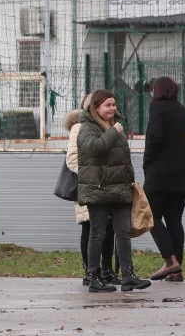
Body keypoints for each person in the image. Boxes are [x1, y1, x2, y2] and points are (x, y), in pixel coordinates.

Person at [77, 89, 151, 293]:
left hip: (119, 189)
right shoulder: (87, 127)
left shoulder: (113, 126)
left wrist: (129, 182)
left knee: (123, 233)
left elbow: (121, 158)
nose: (112, 108)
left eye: (114, 104)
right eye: (107, 105)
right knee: (98, 234)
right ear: (96, 107)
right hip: (99, 189)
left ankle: (128, 275)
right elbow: (93, 148)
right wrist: (112, 132)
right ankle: (93, 277)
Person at [143, 77, 185, 282]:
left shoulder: (157, 107)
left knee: (151, 217)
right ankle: (177, 269)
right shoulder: (181, 109)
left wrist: (147, 162)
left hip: (161, 171)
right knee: (174, 219)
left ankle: (169, 259)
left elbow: (155, 137)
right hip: (183, 170)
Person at [64, 93, 117, 286]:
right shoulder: (79, 128)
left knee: (109, 228)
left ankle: (107, 270)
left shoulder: (109, 126)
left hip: (109, 186)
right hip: (89, 185)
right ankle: (90, 270)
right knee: (90, 226)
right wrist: (93, 176)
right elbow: (72, 159)